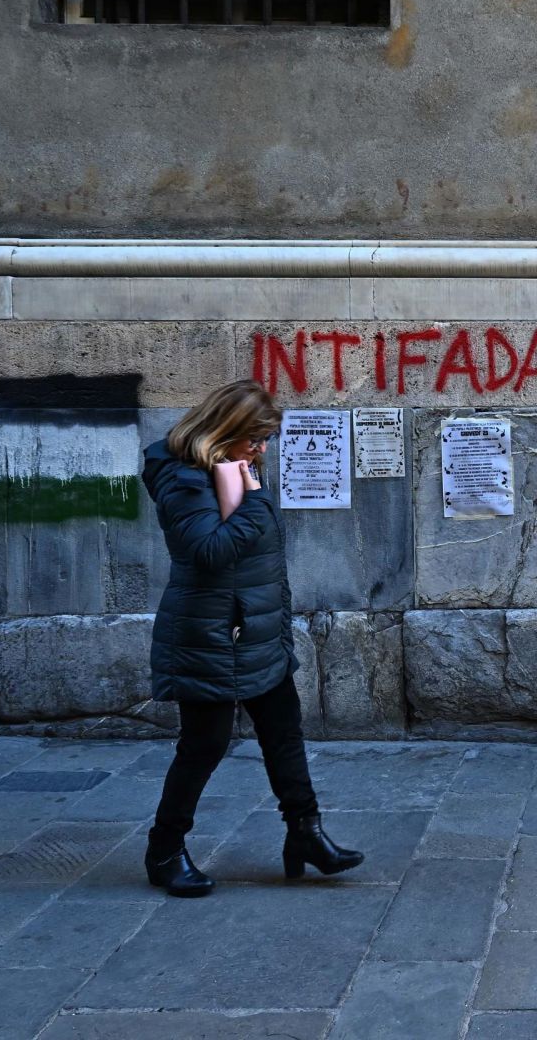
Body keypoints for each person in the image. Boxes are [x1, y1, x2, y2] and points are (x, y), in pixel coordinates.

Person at [139, 379, 363, 897]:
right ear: (224, 431)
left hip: (255, 627)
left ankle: (306, 833)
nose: (261, 450)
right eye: (255, 439)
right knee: (205, 744)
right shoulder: (183, 478)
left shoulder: (229, 467)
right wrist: (257, 505)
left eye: (266, 440)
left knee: (284, 730)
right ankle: (164, 850)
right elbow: (208, 551)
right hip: (209, 635)